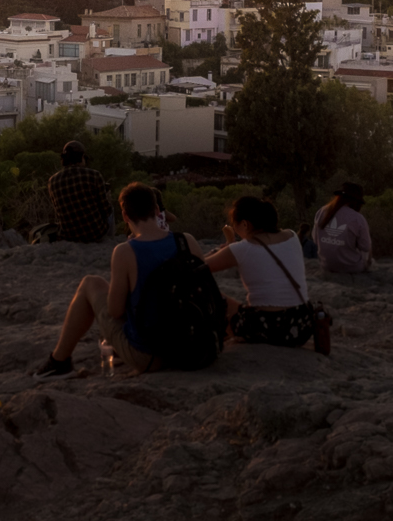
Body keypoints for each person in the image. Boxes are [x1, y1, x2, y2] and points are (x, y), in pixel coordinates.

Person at [33, 183, 205, 379]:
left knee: (91, 283)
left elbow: (115, 311)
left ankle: (59, 361)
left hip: (150, 356)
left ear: (125, 216)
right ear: (157, 210)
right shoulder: (187, 240)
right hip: (193, 345)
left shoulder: (125, 251)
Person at [204, 196, 314, 348]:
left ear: (244, 224)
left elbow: (198, 267)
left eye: (234, 223)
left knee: (208, 292)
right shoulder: (292, 236)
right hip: (302, 325)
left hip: (268, 329)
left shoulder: (241, 248)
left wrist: (218, 250)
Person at [47, 140, 112, 243]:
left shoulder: (52, 181)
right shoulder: (94, 175)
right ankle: (111, 240)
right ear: (81, 157)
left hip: (68, 235)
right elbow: (106, 210)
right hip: (95, 233)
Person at [314, 183, 373, 275]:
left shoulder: (321, 212)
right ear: (356, 201)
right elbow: (365, 246)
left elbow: (315, 239)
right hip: (351, 268)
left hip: (326, 265)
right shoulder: (357, 218)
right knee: (367, 245)